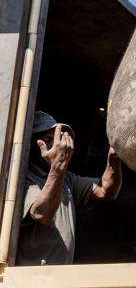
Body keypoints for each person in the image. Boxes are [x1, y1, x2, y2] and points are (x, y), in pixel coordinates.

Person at [17, 111, 123, 266]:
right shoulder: (24, 179)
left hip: (60, 276)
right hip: (33, 278)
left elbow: (105, 190)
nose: (57, 146)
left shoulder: (67, 179)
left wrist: (114, 159)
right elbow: (41, 213)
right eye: (48, 140)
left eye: (58, 139)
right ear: (35, 145)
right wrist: (58, 167)